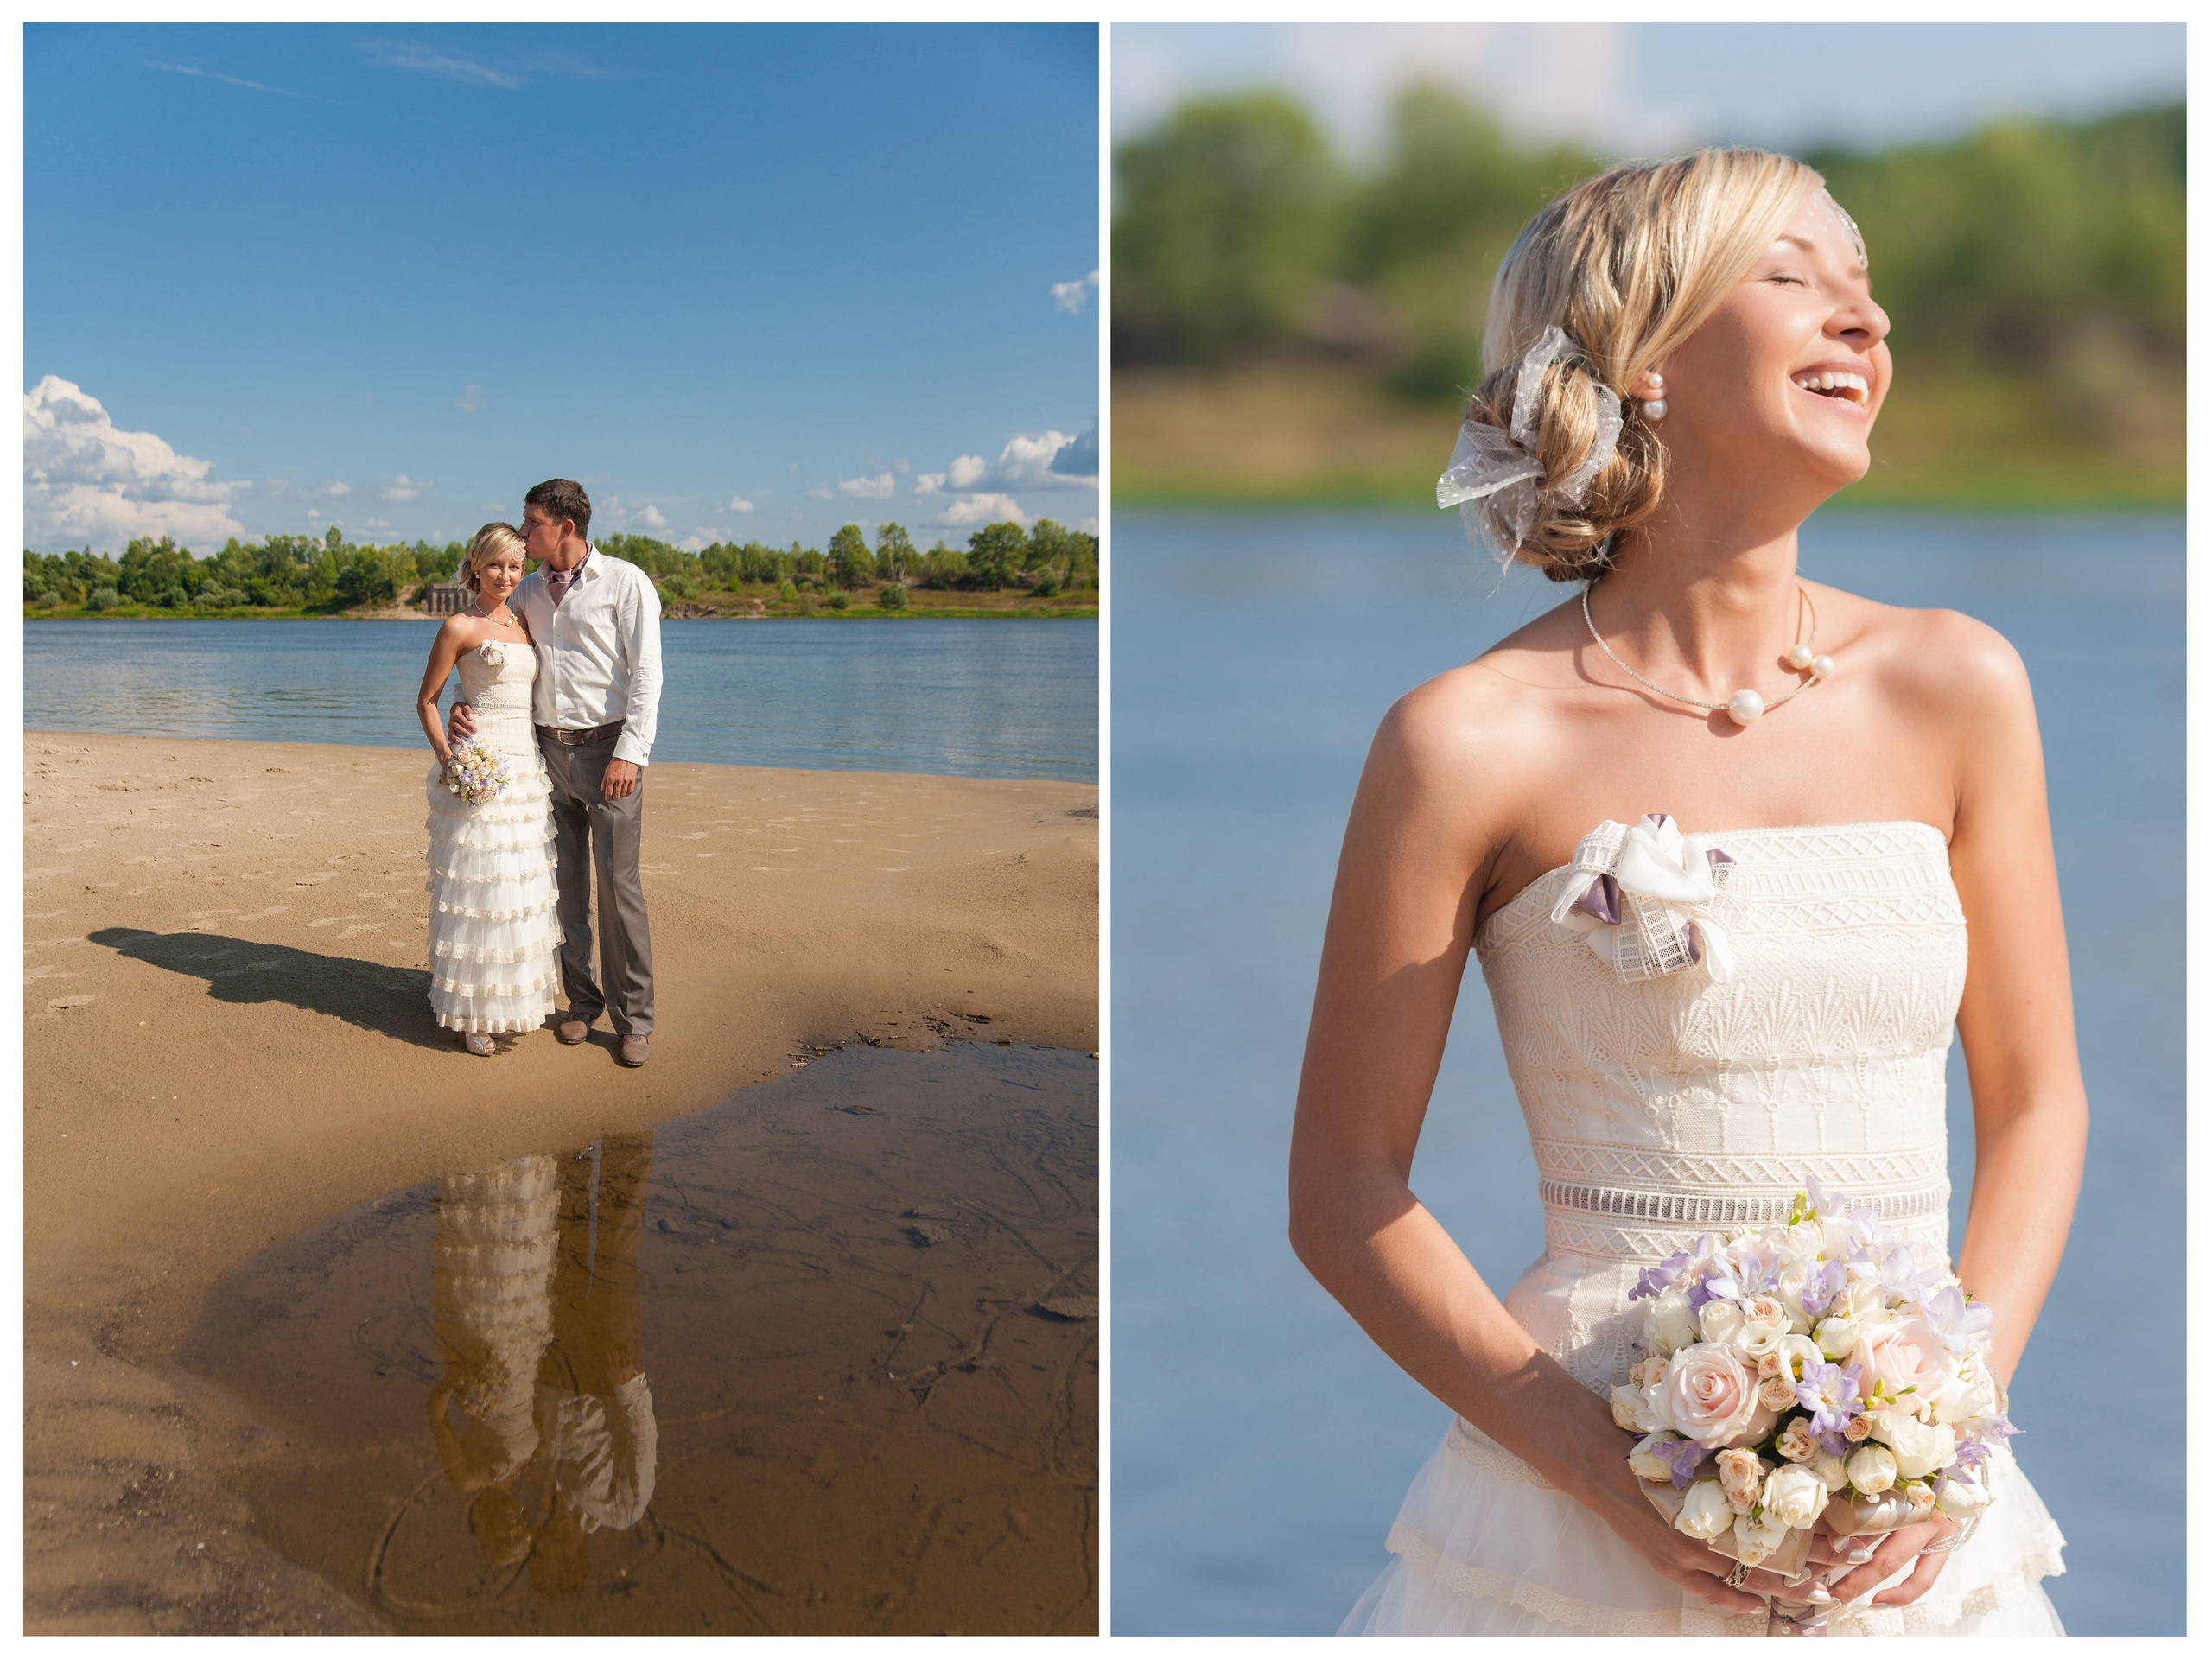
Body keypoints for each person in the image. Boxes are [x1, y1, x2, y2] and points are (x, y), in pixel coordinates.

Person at [1287, 149, 2082, 1637]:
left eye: (1865, 287)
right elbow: (1343, 1194)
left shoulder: (1960, 684)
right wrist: (1588, 1461)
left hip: (1910, 1517)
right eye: (1794, 277)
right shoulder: (1464, 743)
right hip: (1586, 1506)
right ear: (1643, 356)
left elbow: (2038, 1106)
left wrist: (1952, 1421)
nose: (1866, 319)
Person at [452, 479, 663, 1067]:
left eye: (532, 523)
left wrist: (631, 752)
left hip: (609, 752)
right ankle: (581, 1003)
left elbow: (647, 673)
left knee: (617, 888)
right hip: (545, 752)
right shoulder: (526, 590)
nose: (523, 535)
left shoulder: (625, 582)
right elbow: (494, 654)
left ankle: (634, 1020)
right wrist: (462, 702)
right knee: (563, 887)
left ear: (566, 527)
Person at [416, 524, 563, 1054]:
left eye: (515, 566)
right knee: (479, 890)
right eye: (496, 565)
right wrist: (451, 759)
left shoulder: (524, 622)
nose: (506, 576)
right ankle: (473, 1013)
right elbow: (427, 701)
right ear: (476, 566)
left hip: (524, 770)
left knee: (518, 891)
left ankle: (511, 1001)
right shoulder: (457, 626)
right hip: (480, 769)